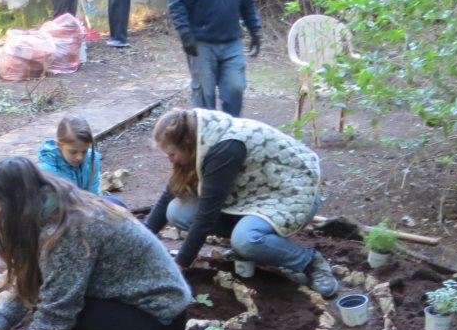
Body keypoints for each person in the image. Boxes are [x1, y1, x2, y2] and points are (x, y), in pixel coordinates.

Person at [0, 158, 190, 330]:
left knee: (55, 308)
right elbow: (29, 282)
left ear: (19, 202)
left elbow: (54, 319)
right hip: (139, 312)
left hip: (158, 323)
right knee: (48, 297)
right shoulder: (54, 205)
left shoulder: (67, 231)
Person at [145, 108, 339, 298]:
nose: (170, 160)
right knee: (178, 211)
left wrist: (180, 265)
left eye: (172, 154)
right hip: (254, 192)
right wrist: (142, 239)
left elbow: (206, 215)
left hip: (291, 193)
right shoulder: (199, 137)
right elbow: (170, 193)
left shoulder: (224, 149)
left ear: (186, 143)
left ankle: (310, 262)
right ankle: (252, 246)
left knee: (247, 240)